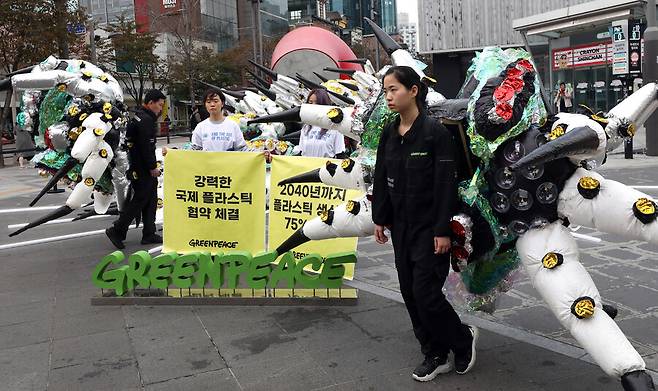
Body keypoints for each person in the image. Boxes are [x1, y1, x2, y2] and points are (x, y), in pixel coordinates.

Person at [372, 66, 478, 382]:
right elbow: (381, 177)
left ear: (414, 90)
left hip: (430, 229)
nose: (388, 96)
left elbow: (445, 184)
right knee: (409, 291)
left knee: (426, 293)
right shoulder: (389, 134)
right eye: (386, 90)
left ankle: (462, 340)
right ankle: (433, 351)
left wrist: (442, 230)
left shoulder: (435, 133)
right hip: (401, 228)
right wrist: (380, 218)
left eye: (394, 89)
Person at [105, 89, 166, 249]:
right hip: (142, 168)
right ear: (151, 103)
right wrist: (153, 167)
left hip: (137, 165)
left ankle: (149, 232)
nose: (160, 109)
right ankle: (117, 230)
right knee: (139, 200)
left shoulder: (139, 117)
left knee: (150, 200)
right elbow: (146, 147)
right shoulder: (146, 120)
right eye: (159, 105)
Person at [296, 89, 347, 159]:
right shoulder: (306, 128)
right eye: (310, 103)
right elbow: (301, 153)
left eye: (317, 103)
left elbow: (340, 154)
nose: (313, 106)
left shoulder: (335, 127)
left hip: (324, 168)